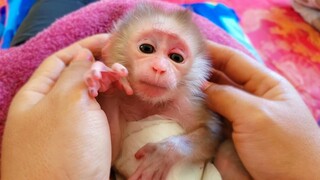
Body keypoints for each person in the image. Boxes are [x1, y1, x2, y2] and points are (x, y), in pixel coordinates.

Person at [2, 31, 320, 179]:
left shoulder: (196, 96)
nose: (159, 67)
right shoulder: (114, 80)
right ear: (114, 48)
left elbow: (209, 135)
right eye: (147, 49)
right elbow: (106, 145)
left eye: (176, 58)